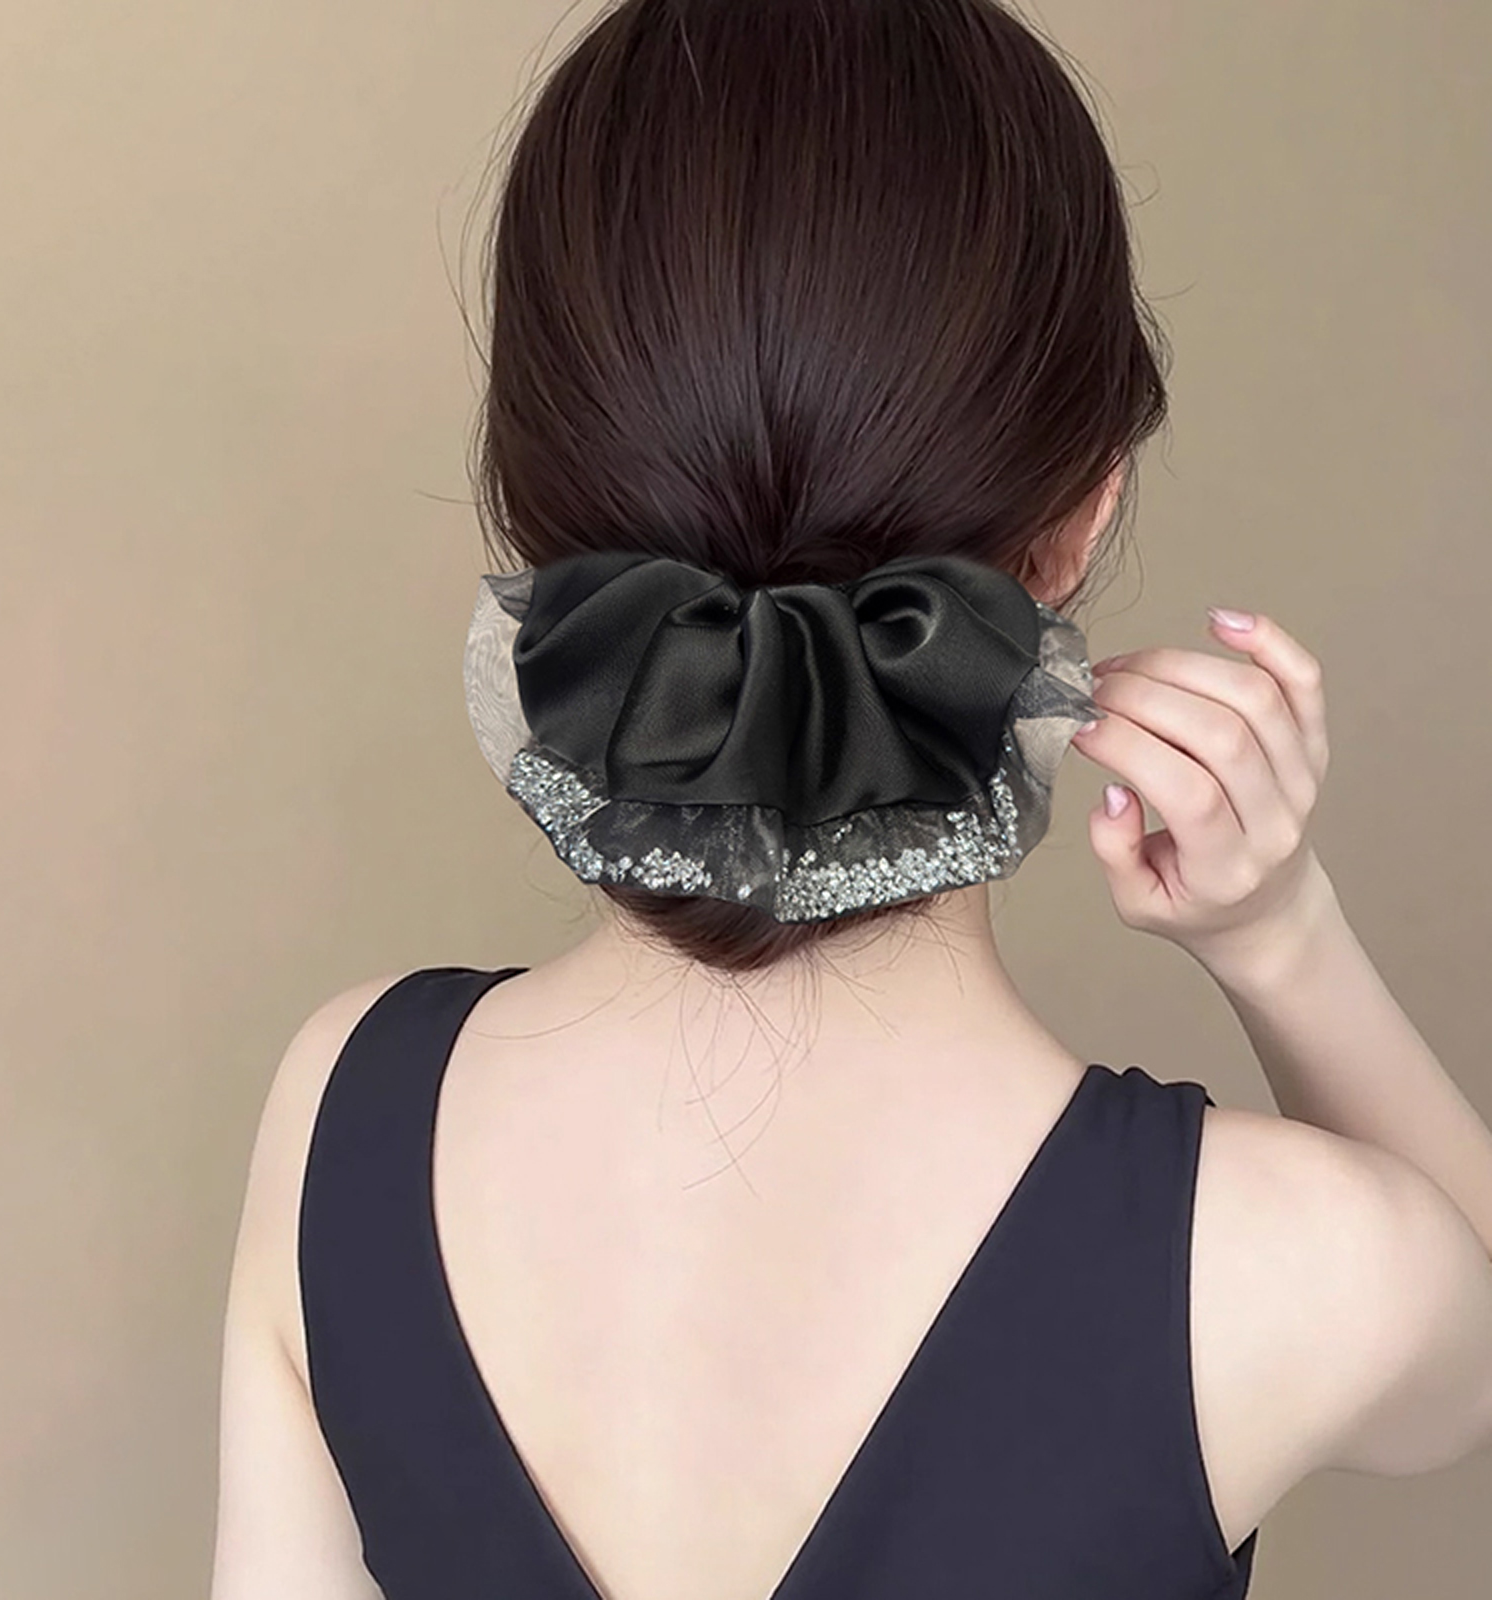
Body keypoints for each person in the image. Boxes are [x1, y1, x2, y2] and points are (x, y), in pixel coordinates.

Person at [210, 2, 1492, 1596]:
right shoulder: (1293, 1267)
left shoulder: (340, 1117)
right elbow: (1474, 1372)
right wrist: (1278, 934)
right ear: (1079, 518)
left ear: (537, 518)